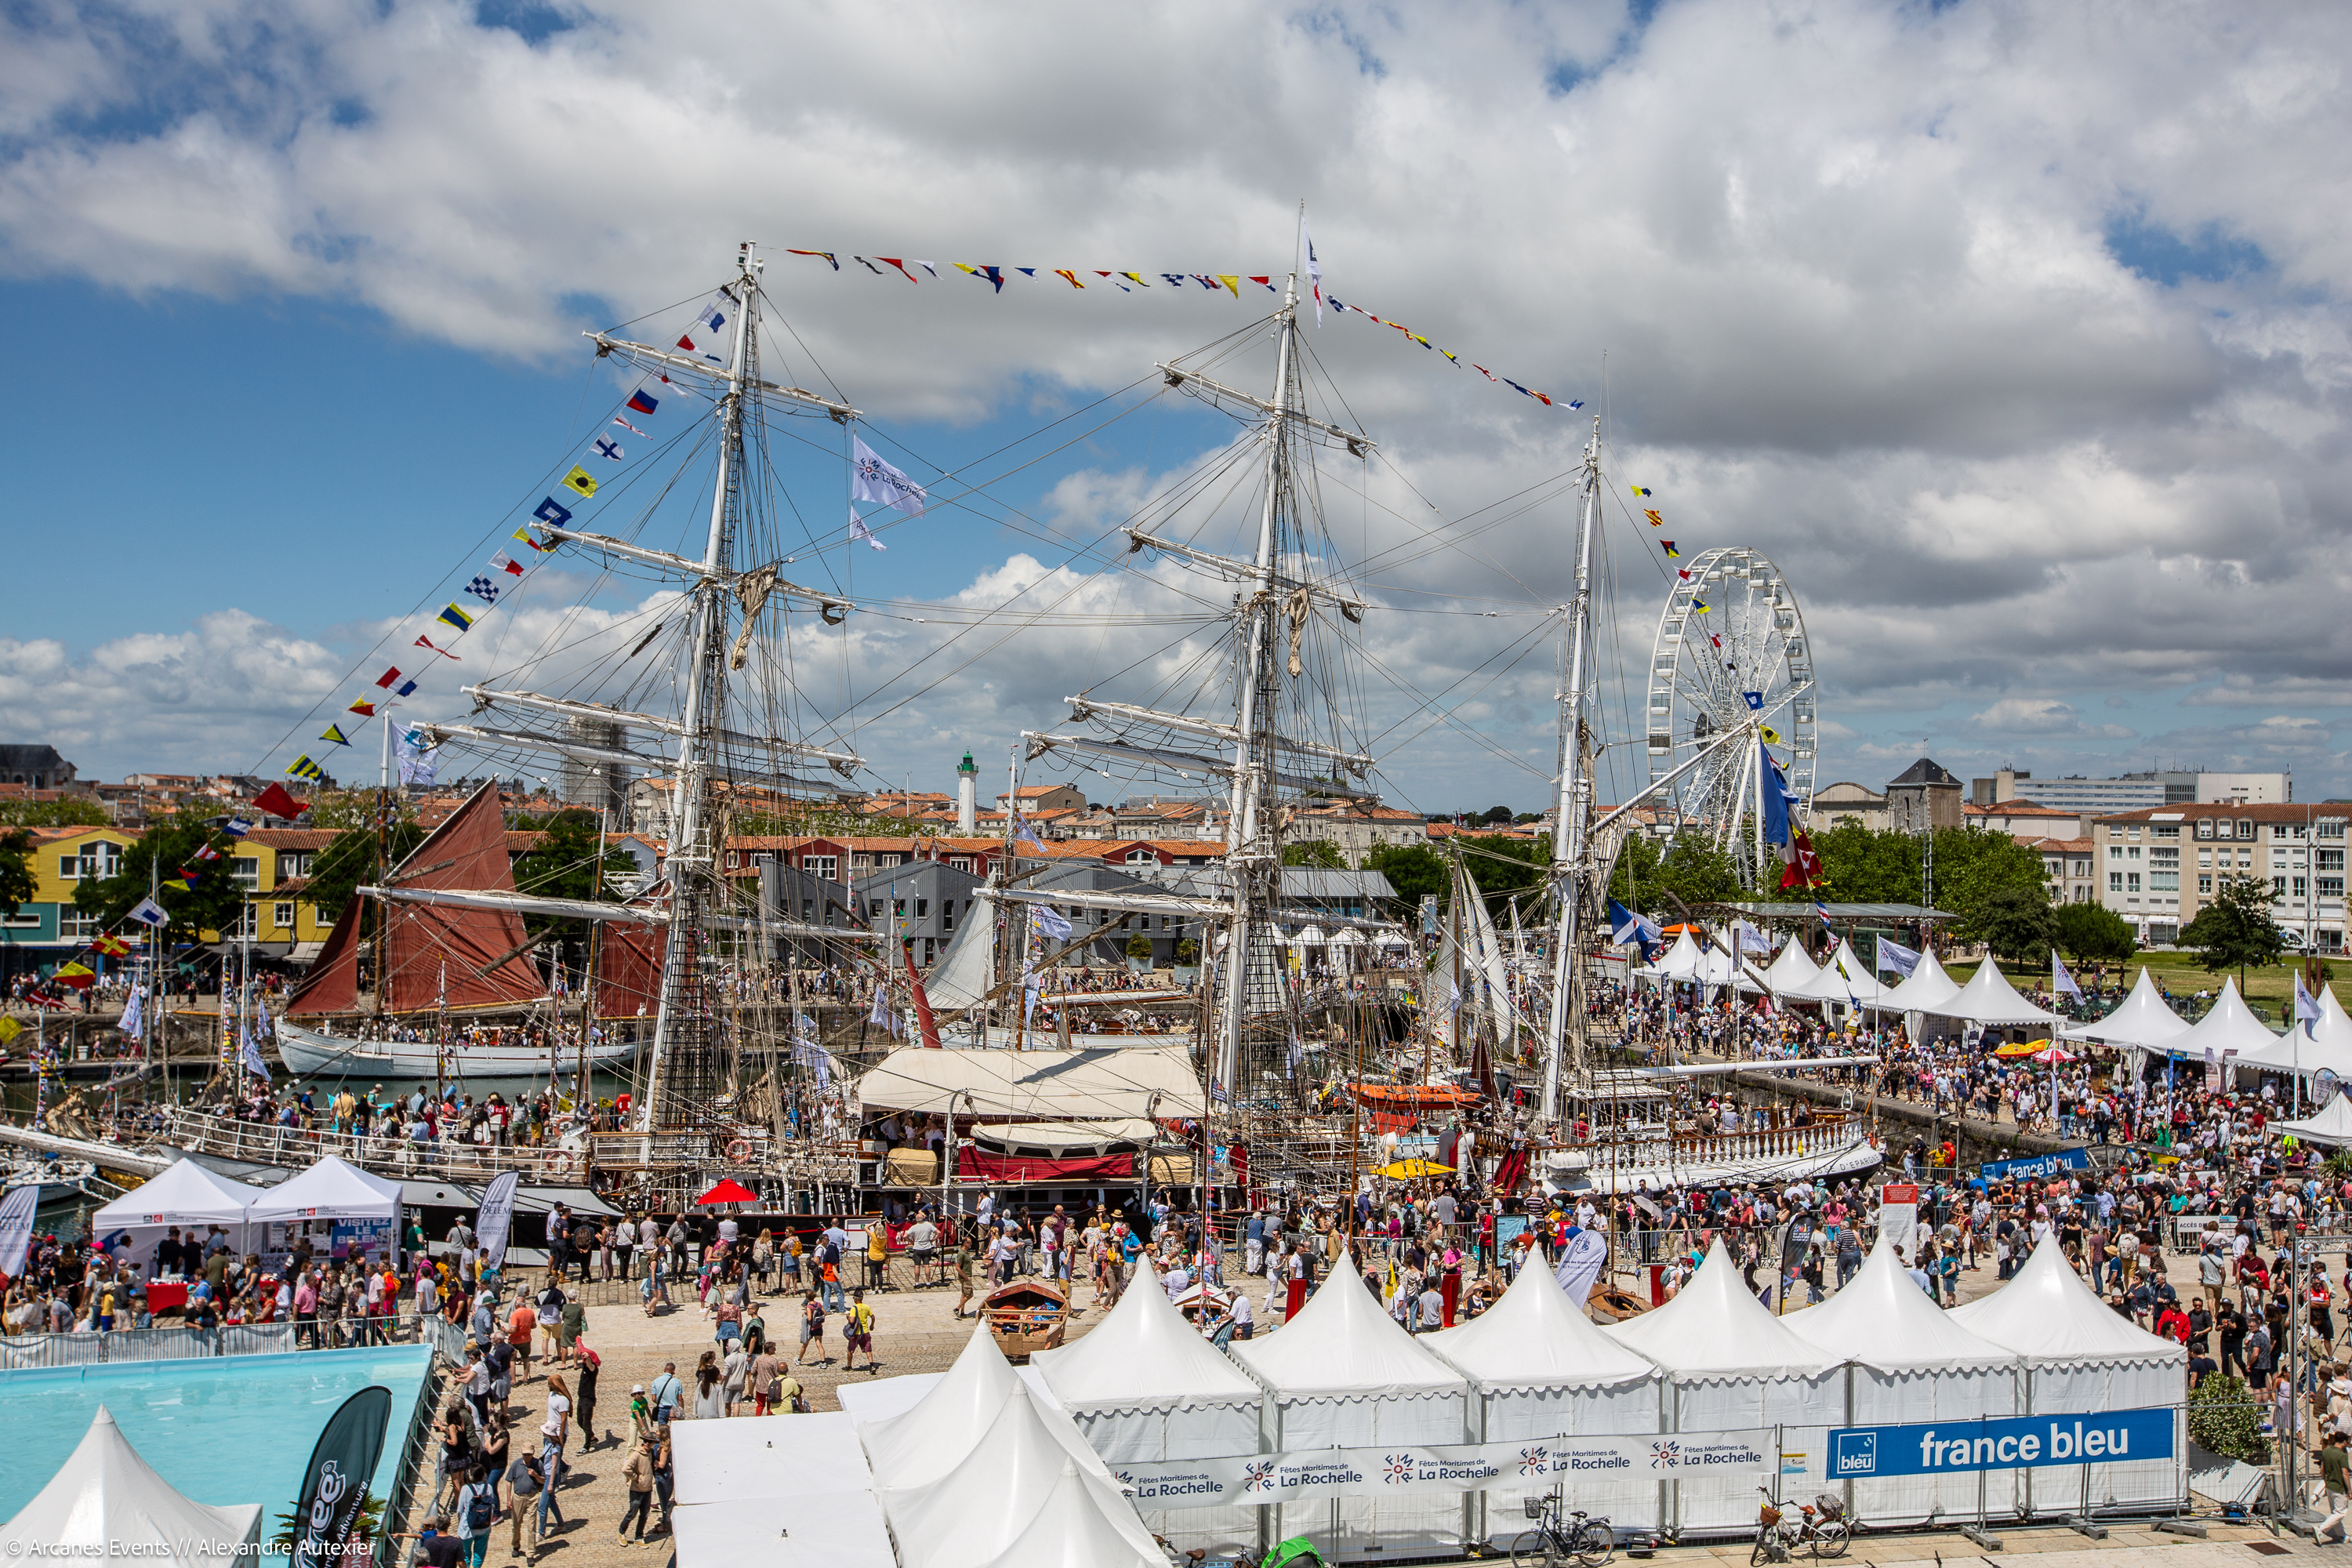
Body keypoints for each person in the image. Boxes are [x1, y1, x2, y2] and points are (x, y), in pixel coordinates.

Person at [535, 1374, 571, 1539]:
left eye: (549, 1383)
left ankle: (541, 1532)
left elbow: (564, 1418)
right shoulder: (552, 1395)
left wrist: (561, 1436)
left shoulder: (563, 1400)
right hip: (551, 1431)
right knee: (551, 1501)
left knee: (545, 1504)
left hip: (557, 1434)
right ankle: (561, 1524)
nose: (547, 1385)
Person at [503, 1450, 545, 1563]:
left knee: (531, 1526)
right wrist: (508, 1499)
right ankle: (516, 1545)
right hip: (518, 1497)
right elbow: (508, 1481)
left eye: (529, 1455)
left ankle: (530, 1553)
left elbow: (543, 1481)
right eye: (525, 1455)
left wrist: (535, 1475)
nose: (527, 1457)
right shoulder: (516, 1464)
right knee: (516, 1524)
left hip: (532, 1497)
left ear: (533, 1454)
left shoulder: (538, 1464)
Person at [451, 1465, 497, 1568]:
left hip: (467, 1529)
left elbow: (460, 1510)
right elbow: (492, 1507)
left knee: (465, 1555)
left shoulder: (466, 1489)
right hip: (484, 1527)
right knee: (479, 1554)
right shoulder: (488, 1488)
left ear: (471, 1476)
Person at [616, 1436, 658, 1548]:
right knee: (632, 1513)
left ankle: (639, 1537)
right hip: (637, 1490)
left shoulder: (651, 1453)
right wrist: (635, 1477)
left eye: (650, 1442)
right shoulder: (636, 1454)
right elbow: (625, 1469)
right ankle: (622, 1532)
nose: (647, 1444)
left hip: (647, 1489)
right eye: (646, 1441)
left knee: (644, 1514)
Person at [844, 1289, 876, 1372]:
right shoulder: (866, 1307)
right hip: (865, 1332)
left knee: (850, 1350)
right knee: (868, 1349)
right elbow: (873, 1317)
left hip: (856, 1333)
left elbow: (852, 1321)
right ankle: (872, 1365)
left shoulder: (854, 1308)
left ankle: (849, 1366)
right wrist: (872, 1325)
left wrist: (848, 1317)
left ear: (855, 1298)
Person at [648, 1361, 683, 1426]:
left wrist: (662, 1402)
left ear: (664, 1370)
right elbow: (680, 1399)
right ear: (673, 1371)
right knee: (675, 1429)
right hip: (674, 1409)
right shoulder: (677, 1382)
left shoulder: (656, 1381)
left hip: (662, 1408)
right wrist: (681, 1411)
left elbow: (653, 1398)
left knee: (662, 1430)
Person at [797, 1293, 826, 1365]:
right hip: (819, 1327)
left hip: (811, 1329)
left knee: (805, 1345)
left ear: (807, 1298)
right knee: (819, 1345)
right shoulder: (819, 1304)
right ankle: (823, 1361)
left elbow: (809, 1318)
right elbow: (825, 1313)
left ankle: (799, 1360)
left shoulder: (809, 1306)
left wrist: (805, 1314)